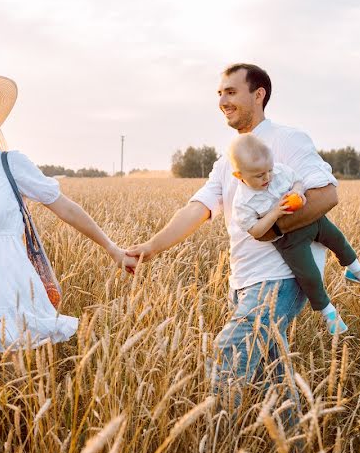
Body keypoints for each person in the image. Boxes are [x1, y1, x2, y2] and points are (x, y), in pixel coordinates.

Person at [126, 63, 345, 409]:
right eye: (219, 93)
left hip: (281, 278)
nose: (222, 100)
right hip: (244, 281)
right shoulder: (229, 159)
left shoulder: (287, 139)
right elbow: (197, 208)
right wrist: (150, 248)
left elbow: (326, 194)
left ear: (259, 95)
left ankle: (215, 451)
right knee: (273, 381)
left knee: (229, 353)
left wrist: (272, 229)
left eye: (231, 92)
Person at [0, 76, 136, 406]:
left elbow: (64, 206)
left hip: (13, 295)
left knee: (12, 398)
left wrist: (111, 247)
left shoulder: (10, 163)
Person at [227, 133, 360, 336]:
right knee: (308, 275)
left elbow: (298, 181)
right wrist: (274, 213)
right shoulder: (243, 202)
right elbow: (256, 231)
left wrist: (298, 192)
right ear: (239, 176)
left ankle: (355, 269)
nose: (267, 178)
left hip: (312, 221)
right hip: (288, 240)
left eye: (269, 171)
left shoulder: (279, 172)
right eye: (259, 175)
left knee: (337, 239)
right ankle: (329, 314)